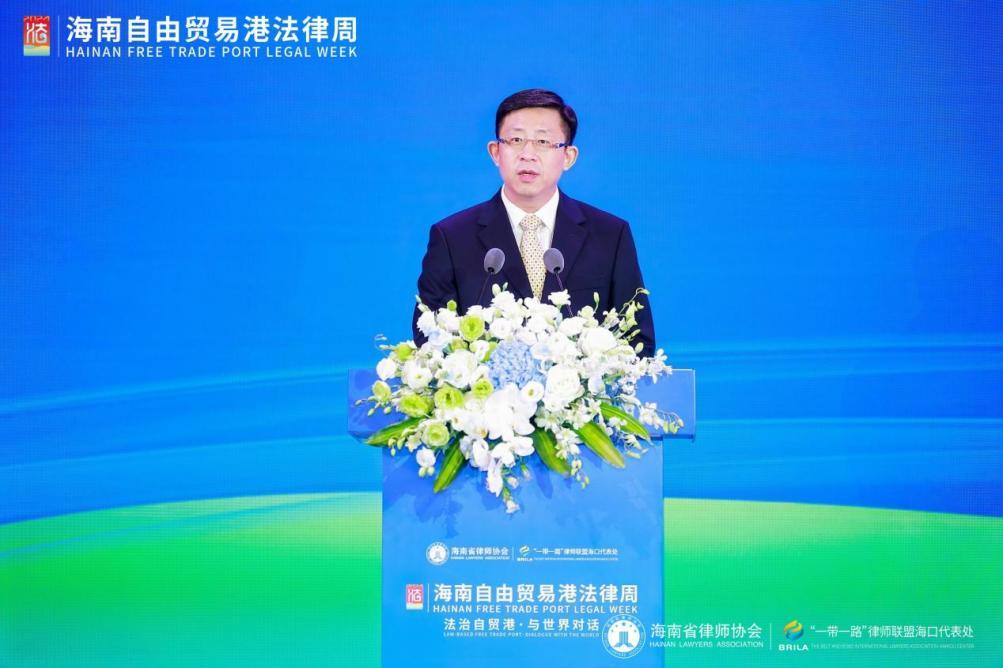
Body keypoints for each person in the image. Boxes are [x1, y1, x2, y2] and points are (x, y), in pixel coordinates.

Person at [411, 88, 656, 356]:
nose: (527, 154)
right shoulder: (452, 237)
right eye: (516, 139)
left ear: (568, 156)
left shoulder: (610, 235)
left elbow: (636, 342)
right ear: (495, 152)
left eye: (543, 141)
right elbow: (430, 340)